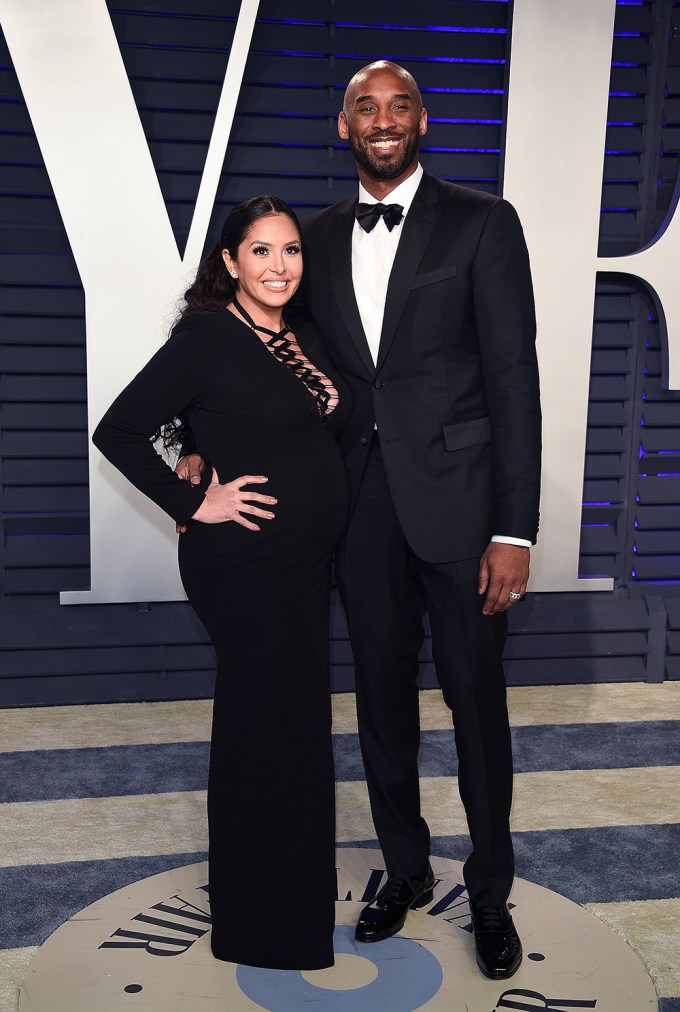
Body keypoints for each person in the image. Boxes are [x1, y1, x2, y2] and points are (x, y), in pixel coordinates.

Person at [180, 60, 542, 980]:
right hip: (356, 513)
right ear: (343, 127)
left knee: (474, 706)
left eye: (400, 106)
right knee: (380, 705)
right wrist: (193, 445)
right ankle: (407, 869)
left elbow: (513, 380)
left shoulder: (483, 222)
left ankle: (492, 894)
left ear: (422, 120)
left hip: (463, 513)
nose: (383, 121)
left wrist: (516, 528)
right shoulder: (312, 238)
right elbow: (253, 339)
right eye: (365, 109)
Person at [92, 195, 350, 971]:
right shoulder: (207, 334)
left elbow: (225, 421)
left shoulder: (301, 335)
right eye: (261, 252)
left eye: (291, 251)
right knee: (269, 738)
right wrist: (194, 496)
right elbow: (120, 428)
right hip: (243, 569)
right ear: (230, 262)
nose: (279, 266)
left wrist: (195, 449)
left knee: (292, 736)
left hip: (301, 570)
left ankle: (284, 912)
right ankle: (264, 929)